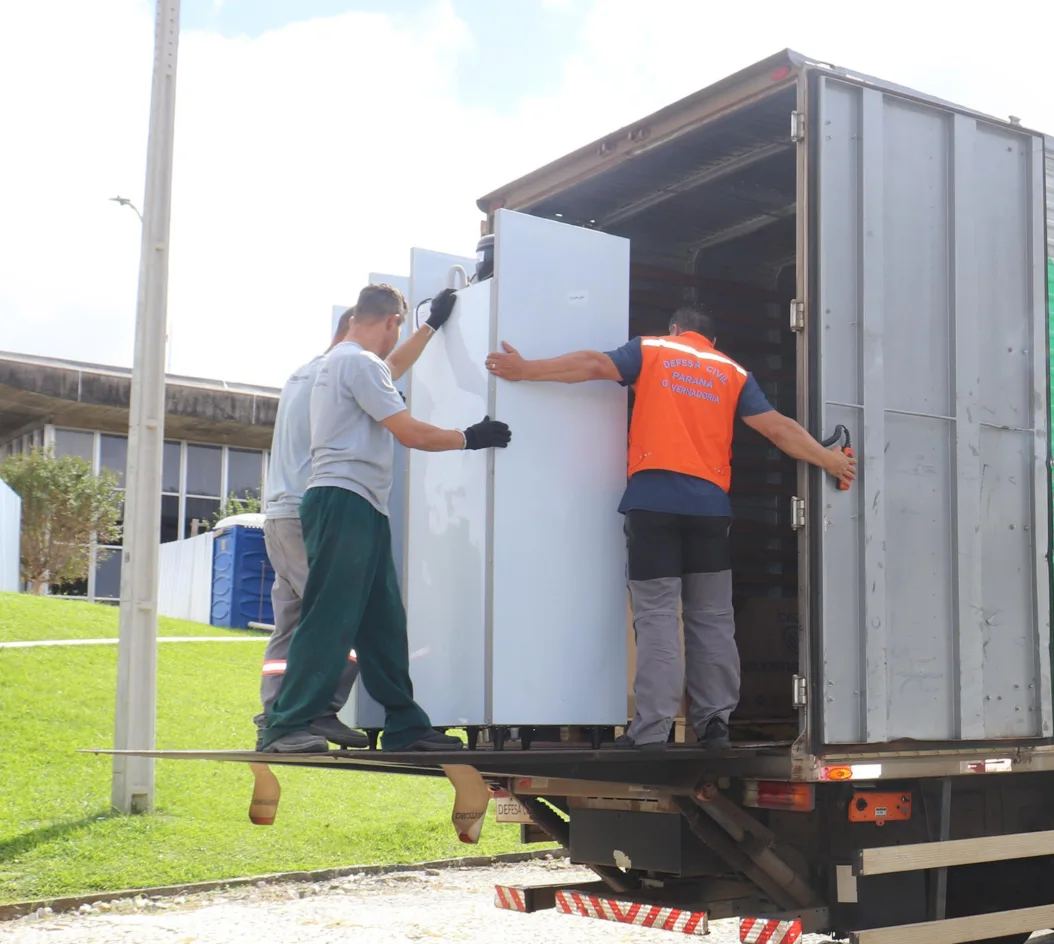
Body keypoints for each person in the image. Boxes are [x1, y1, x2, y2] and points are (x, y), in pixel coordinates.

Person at [485, 305, 855, 750]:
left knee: (659, 617)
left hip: (654, 504)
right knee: (713, 619)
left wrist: (526, 370)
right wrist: (831, 459)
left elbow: (591, 364)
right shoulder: (731, 371)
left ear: (675, 329)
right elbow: (777, 429)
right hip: (710, 511)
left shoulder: (653, 350)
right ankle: (715, 724)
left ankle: (653, 729)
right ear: (711, 341)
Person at [260, 283, 511, 754]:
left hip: (361, 503)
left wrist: (430, 327)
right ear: (391, 322)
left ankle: (405, 725)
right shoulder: (354, 362)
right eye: (400, 330)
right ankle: (286, 724)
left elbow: (389, 371)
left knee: (382, 622)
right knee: (329, 616)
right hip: (341, 499)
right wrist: (469, 437)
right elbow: (410, 432)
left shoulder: (338, 365)